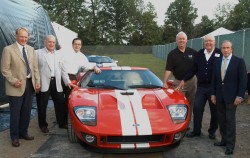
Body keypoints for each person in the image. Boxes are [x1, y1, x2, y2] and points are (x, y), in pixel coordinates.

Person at [0, 27, 40, 147]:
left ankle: (23, 132)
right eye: (21, 36)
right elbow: (4, 69)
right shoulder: (8, 49)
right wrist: (13, 81)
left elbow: (35, 67)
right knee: (15, 113)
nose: (24, 39)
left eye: (26, 37)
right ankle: (15, 136)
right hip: (15, 86)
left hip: (29, 84)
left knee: (26, 111)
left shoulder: (31, 49)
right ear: (16, 36)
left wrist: (37, 80)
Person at [179, 35, 222, 139]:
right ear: (204, 42)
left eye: (210, 41)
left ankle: (212, 131)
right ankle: (196, 130)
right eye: (206, 41)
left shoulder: (219, 53)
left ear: (214, 42)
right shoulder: (199, 54)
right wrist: (184, 79)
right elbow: (194, 69)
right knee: (197, 107)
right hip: (202, 87)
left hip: (214, 87)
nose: (208, 43)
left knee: (214, 110)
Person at [211, 40, 247, 155]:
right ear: (221, 49)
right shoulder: (217, 62)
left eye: (227, 48)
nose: (225, 50)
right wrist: (213, 94)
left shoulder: (239, 61)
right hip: (219, 96)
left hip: (232, 97)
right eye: (223, 48)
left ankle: (230, 146)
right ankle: (224, 140)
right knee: (221, 119)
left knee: (230, 121)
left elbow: (243, 80)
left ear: (231, 49)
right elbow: (214, 80)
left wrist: (240, 96)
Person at [35, 35, 74, 133]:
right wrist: (36, 82)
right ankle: (43, 125)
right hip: (43, 83)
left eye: (53, 42)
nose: (51, 44)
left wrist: (67, 81)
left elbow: (63, 70)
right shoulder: (37, 53)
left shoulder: (59, 54)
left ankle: (62, 123)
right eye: (49, 42)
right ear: (45, 42)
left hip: (57, 82)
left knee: (60, 103)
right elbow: (34, 69)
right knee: (42, 105)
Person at [163, 31, 197, 126]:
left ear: (186, 40)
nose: (181, 40)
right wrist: (165, 82)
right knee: (179, 104)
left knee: (190, 103)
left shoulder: (193, 52)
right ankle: (179, 125)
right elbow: (168, 69)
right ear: (176, 41)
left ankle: (187, 124)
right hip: (178, 82)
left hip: (192, 82)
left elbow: (198, 67)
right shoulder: (172, 54)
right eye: (179, 39)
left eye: (183, 39)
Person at [62, 38, 101, 110]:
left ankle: (66, 119)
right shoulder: (65, 53)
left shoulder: (82, 56)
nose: (77, 46)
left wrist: (95, 66)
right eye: (75, 44)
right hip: (62, 77)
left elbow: (87, 66)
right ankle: (61, 120)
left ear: (81, 46)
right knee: (60, 100)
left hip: (73, 78)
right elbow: (62, 67)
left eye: (79, 44)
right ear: (72, 45)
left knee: (69, 99)